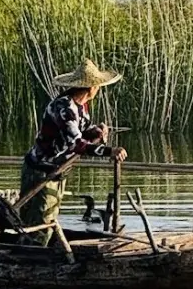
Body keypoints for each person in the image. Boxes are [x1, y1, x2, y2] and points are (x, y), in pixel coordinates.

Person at [19, 59, 127, 231]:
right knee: (41, 224)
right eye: (98, 87)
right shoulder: (65, 108)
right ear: (92, 88)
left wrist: (96, 131)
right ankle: (33, 254)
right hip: (41, 171)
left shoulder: (80, 106)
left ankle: (32, 249)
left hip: (56, 171)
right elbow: (77, 144)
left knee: (44, 218)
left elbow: (81, 130)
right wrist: (110, 151)